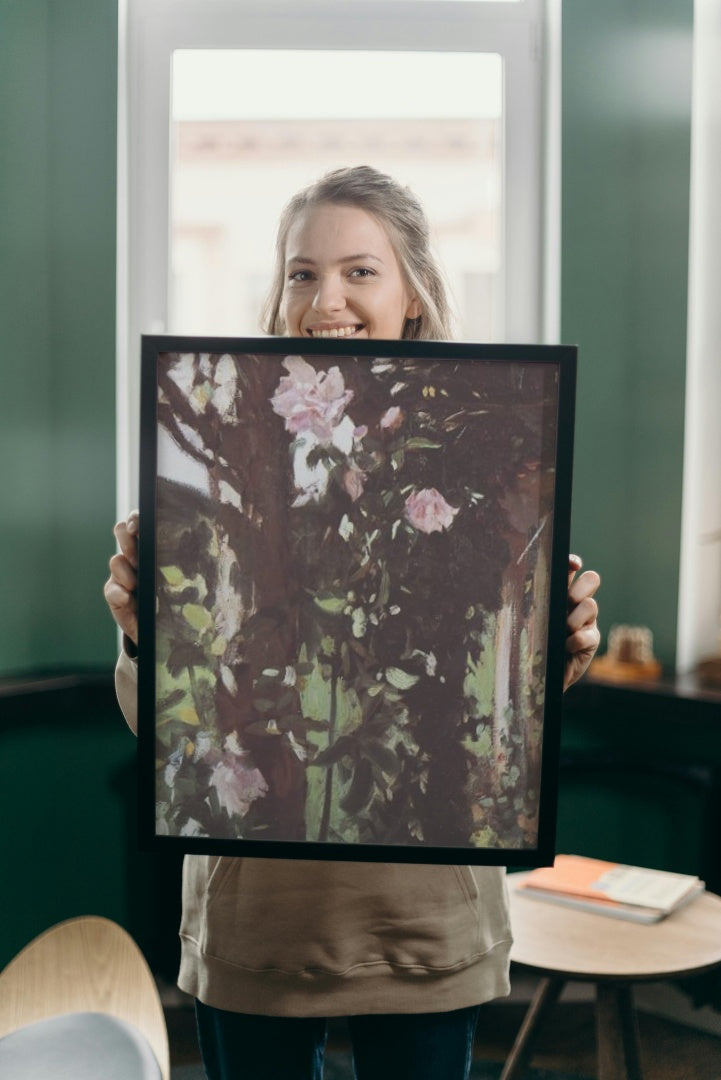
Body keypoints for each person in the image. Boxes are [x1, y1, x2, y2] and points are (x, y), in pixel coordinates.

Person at [105, 165, 601, 1080]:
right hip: (258, 920)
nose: (324, 298)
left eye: (359, 271)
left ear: (412, 291)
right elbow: (167, 729)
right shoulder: (219, 444)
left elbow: (492, 706)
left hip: (423, 921)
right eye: (301, 272)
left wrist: (555, 652)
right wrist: (145, 634)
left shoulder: (488, 445)